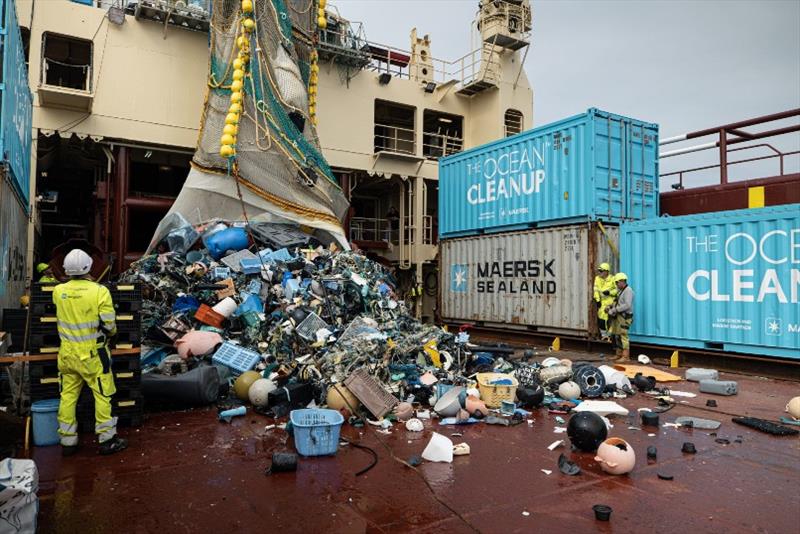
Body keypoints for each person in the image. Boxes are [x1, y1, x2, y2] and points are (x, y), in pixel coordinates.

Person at [54, 249, 128, 456]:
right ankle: (107, 440)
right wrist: (111, 333)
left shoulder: (58, 291)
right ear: (88, 266)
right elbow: (109, 324)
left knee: (68, 397)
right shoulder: (99, 291)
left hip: (67, 355)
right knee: (103, 395)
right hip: (93, 356)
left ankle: (68, 442)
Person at [606, 272, 634, 363]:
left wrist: (614, 310)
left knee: (623, 336)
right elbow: (618, 302)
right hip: (619, 317)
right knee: (617, 335)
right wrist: (610, 306)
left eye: (617, 283)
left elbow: (627, 305)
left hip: (624, 317)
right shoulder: (621, 291)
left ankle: (626, 356)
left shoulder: (628, 291)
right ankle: (618, 354)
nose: (616, 285)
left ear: (622, 281)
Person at [592, 263, 616, 340]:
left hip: (611, 304)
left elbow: (617, 290)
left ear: (606, 272)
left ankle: (610, 336)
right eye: (599, 271)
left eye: (601, 271)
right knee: (601, 321)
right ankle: (604, 336)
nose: (599, 273)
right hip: (602, 304)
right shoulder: (597, 279)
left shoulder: (613, 279)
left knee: (611, 321)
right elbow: (595, 290)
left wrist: (609, 293)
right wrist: (598, 300)